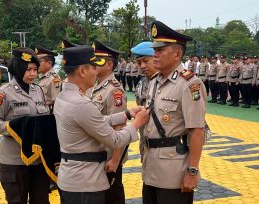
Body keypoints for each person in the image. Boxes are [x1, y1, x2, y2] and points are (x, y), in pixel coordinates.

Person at [54, 45, 150, 204]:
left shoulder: (64, 96)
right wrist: (137, 123)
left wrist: (126, 114)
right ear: (82, 71)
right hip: (85, 182)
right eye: (93, 66)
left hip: (71, 177)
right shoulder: (81, 103)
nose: (95, 70)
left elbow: (91, 122)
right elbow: (115, 140)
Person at [142, 21, 206, 204]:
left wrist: (192, 171)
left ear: (177, 54)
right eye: (155, 49)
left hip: (174, 172)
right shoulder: (155, 81)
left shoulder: (190, 84)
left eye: (160, 50)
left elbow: (197, 131)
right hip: (151, 167)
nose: (155, 54)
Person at [0, 47, 50, 203]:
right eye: (28, 70)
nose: (33, 74)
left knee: (41, 200)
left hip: (38, 159)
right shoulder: (4, 93)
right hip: (14, 160)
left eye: (35, 69)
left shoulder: (38, 90)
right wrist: (18, 128)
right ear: (18, 68)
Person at [88, 40, 127, 204]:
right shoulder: (95, 86)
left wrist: (116, 160)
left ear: (109, 64)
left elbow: (119, 127)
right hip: (96, 154)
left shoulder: (114, 90)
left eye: (98, 60)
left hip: (109, 156)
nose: (93, 64)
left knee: (112, 196)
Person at [131, 41, 159, 159]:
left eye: (146, 61)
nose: (142, 66)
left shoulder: (168, 83)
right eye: (139, 62)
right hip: (145, 142)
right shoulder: (141, 84)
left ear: (156, 58)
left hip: (167, 147)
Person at [36, 46, 61, 113]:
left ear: (49, 64)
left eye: (39, 62)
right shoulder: (42, 77)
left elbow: (56, 102)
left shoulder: (53, 79)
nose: (37, 64)